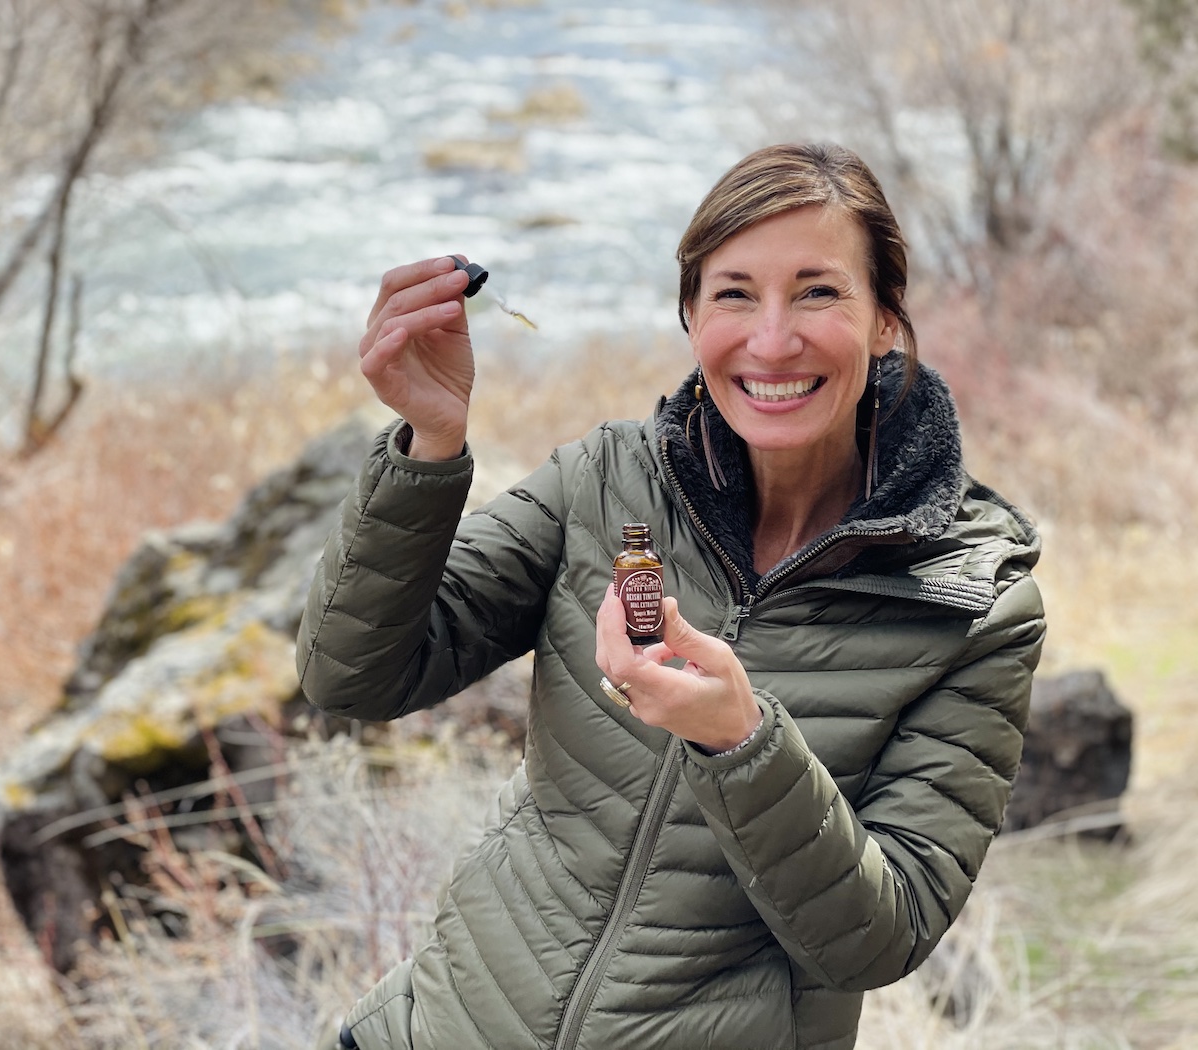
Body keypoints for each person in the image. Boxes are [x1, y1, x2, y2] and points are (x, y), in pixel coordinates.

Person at [296, 143, 1044, 1050]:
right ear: (690, 315)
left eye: (818, 291)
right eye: (734, 294)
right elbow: (356, 678)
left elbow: (883, 937)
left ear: (886, 318)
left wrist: (742, 743)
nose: (771, 340)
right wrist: (431, 444)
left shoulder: (972, 604)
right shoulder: (609, 478)